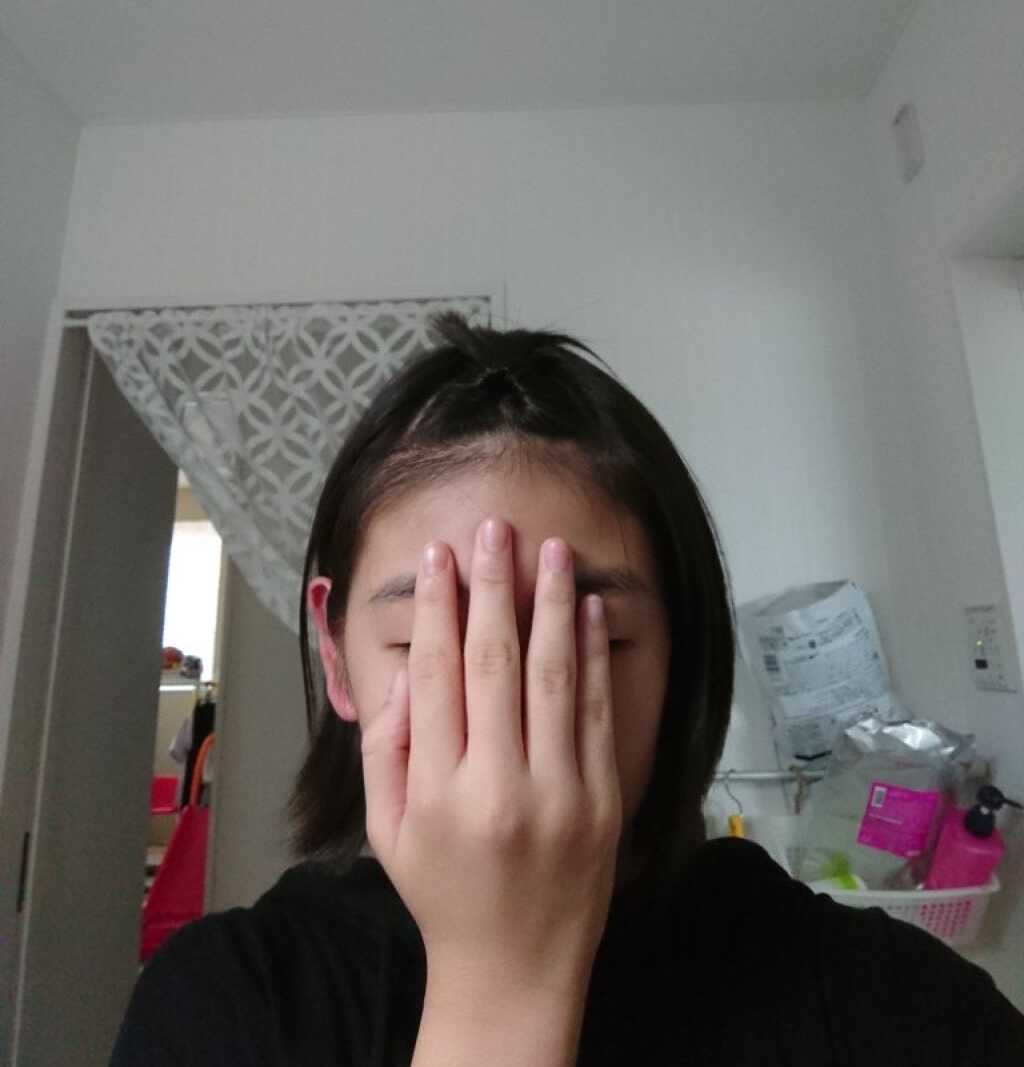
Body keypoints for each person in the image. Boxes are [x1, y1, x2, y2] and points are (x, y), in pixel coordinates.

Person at [111, 314, 1024, 1065]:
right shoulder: (223, 1006)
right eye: (426, 639)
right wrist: (497, 985)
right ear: (337, 656)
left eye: (593, 637)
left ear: (681, 655)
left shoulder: (895, 1006)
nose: (506, 700)